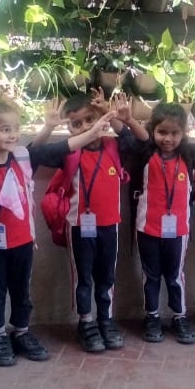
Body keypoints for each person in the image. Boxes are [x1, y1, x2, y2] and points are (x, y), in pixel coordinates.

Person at [0, 103, 113, 367]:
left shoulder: (25, 157)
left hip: (23, 241)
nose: (13, 135)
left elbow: (66, 146)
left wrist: (93, 132)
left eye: (15, 128)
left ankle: (21, 332)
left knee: (22, 292)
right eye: (5, 129)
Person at [36, 91, 148, 353]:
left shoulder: (113, 146)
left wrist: (120, 118)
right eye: (77, 124)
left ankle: (105, 320)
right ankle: (86, 322)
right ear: (70, 129)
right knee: (83, 277)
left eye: (91, 119)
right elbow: (36, 153)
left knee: (106, 277)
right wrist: (48, 128)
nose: (86, 127)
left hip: (110, 226)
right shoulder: (69, 152)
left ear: (102, 119)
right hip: (79, 227)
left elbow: (142, 143)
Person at [131, 103, 195, 345]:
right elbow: (129, 133)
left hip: (178, 231)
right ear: (153, 130)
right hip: (147, 228)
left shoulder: (189, 154)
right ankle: (152, 317)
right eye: (162, 132)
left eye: (175, 133)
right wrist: (128, 119)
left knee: (175, 276)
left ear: (183, 133)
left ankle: (179, 316)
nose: (168, 139)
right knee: (151, 276)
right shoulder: (145, 152)